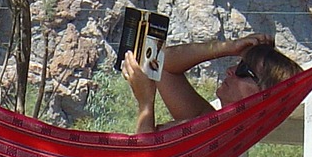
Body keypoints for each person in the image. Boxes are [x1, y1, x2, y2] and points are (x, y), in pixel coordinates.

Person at [122, 34, 301, 134]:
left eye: (244, 69)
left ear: (264, 95)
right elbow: (163, 65)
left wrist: (145, 102)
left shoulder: (215, 138)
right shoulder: (210, 125)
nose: (230, 70)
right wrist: (229, 47)